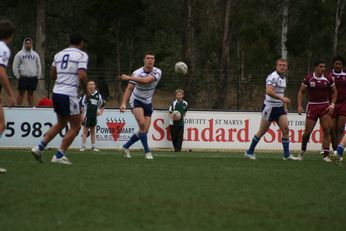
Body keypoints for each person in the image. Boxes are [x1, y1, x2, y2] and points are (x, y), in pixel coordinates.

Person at [31, 33, 88, 165]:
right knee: (76, 126)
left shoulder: (59, 54)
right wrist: (86, 90)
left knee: (61, 123)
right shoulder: (81, 55)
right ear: (81, 43)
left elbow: (52, 73)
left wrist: (61, 79)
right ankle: (59, 155)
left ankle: (39, 147)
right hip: (69, 94)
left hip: (56, 92)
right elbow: (82, 75)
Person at [245, 58, 297, 160]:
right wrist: (282, 98)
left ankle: (286, 155)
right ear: (276, 66)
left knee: (286, 129)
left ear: (286, 67)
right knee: (262, 131)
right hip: (269, 108)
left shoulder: (283, 78)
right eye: (280, 65)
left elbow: (281, 92)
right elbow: (269, 91)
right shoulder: (273, 76)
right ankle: (249, 152)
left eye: (284, 65)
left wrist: (284, 106)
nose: (282, 67)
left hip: (279, 108)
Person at [119, 51, 161, 159]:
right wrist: (123, 103)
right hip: (136, 100)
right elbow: (129, 88)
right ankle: (147, 152)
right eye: (148, 58)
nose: (150, 60)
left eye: (152, 58)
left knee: (145, 130)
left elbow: (146, 81)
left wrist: (128, 77)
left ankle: (125, 146)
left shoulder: (157, 72)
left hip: (148, 101)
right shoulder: (136, 72)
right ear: (144, 60)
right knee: (142, 125)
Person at [297, 60, 337, 162]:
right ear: (315, 67)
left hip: (324, 107)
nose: (322, 68)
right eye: (320, 66)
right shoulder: (309, 78)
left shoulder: (328, 78)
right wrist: (299, 106)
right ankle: (302, 151)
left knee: (327, 130)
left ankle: (325, 155)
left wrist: (332, 104)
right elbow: (301, 92)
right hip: (312, 107)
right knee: (307, 133)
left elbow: (334, 92)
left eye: (324, 67)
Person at [0, 20, 17, 174]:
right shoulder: (3, 49)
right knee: (1, 124)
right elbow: (1, 72)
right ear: (11, 35)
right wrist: (11, 95)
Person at [12, 37, 41, 106]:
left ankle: (30, 108)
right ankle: (17, 108)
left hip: (33, 77)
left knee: (31, 94)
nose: (28, 45)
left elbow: (38, 65)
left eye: (29, 43)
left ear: (32, 44)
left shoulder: (35, 55)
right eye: (27, 43)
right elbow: (15, 65)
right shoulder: (19, 54)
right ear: (24, 44)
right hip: (23, 77)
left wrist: (38, 76)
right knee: (21, 93)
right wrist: (17, 75)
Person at [325, 56, 346, 151]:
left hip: (343, 103)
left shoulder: (345, 74)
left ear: (342, 65)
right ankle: (334, 148)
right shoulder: (328, 75)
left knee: (341, 128)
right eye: (336, 64)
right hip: (332, 104)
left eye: (340, 64)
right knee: (332, 129)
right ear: (333, 64)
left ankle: (339, 151)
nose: (338, 65)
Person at [80, 80, 105, 152]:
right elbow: (82, 106)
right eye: (90, 84)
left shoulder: (98, 95)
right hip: (87, 116)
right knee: (85, 131)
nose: (91, 85)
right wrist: (82, 116)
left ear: (95, 86)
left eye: (93, 84)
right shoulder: (85, 95)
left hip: (94, 116)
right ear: (87, 86)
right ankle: (83, 146)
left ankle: (93, 147)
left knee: (93, 131)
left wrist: (101, 112)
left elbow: (103, 104)